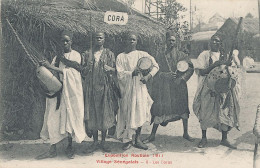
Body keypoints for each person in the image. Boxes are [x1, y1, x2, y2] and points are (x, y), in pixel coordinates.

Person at [36, 30, 86, 159]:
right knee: (52, 119)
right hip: (58, 93)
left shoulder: (76, 55)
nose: (64, 43)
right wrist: (44, 68)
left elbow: (73, 73)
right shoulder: (57, 57)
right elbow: (52, 74)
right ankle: (52, 149)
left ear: (71, 42)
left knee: (69, 119)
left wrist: (51, 67)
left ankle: (70, 147)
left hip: (71, 94)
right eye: (62, 40)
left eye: (67, 40)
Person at [143, 31, 194, 144]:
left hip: (179, 86)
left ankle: (185, 133)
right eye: (169, 40)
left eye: (173, 40)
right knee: (160, 108)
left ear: (176, 42)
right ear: (166, 41)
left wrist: (181, 79)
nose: (171, 42)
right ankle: (152, 135)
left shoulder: (182, 55)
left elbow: (190, 69)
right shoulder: (160, 55)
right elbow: (155, 69)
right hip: (164, 87)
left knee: (182, 108)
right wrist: (164, 75)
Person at [193, 35, 240, 149]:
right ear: (210, 43)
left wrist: (229, 66)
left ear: (220, 43)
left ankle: (224, 139)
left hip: (224, 89)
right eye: (213, 40)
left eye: (217, 41)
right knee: (205, 111)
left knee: (224, 111)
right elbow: (200, 72)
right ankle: (204, 138)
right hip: (208, 87)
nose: (215, 42)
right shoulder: (204, 55)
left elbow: (234, 71)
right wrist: (213, 65)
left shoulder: (226, 56)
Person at [116, 31, 159, 150]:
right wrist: (131, 73)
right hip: (127, 88)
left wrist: (148, 77)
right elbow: (119, 73)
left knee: (140, 111)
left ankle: (138, 138)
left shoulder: (142, 54)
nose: (131, 41)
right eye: (128, 39)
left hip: (140, 87)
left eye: (133, 39)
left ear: (136, 41)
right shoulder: (120, 56)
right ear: (124, 41)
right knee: (127, 112)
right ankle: (127, 139)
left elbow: (156, 66)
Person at [81, 32, 119, 153]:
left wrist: (110, 69)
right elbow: (83, 72)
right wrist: (88, 66)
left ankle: (103, 142)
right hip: (91, 89)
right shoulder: (87, 54)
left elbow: (116, 71)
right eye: (96, 37)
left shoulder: (109, 54)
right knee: (93, 114)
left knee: (104, 114)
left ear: (104, 39)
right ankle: (95, 142)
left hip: (105, 88)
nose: (98, 39)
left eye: (100, 37)